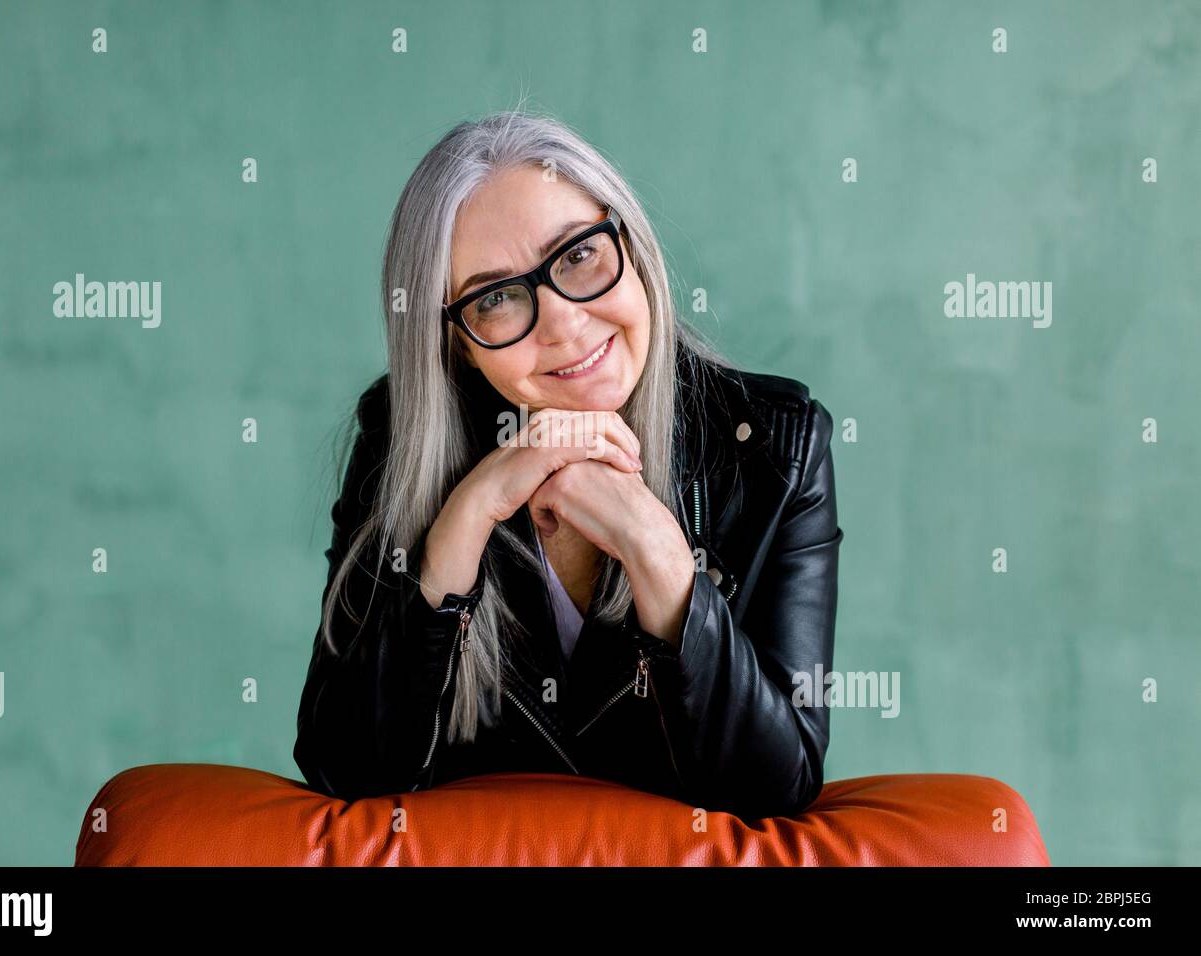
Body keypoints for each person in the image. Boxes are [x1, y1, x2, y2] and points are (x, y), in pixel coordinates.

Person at [293, 109, 843, 821]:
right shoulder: (401, 437)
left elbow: (778, 787)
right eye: (495, 297)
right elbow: (345, 770)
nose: (561, 323)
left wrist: (657, 554)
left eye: (579, 255)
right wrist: (463, 523)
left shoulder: (776, 448)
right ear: (457, 342)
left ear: (630, 244)